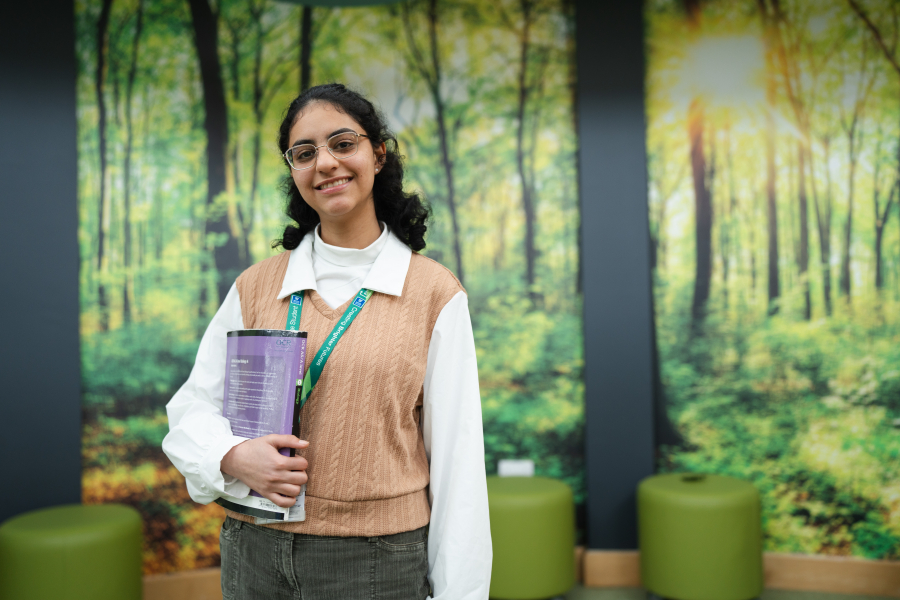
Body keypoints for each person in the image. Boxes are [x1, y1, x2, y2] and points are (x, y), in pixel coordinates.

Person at [162, 83, 492, 600]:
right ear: (293, 171)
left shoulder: (434, 293)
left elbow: (459, 464)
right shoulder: (255, 286)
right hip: (254, 551)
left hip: (377, 562)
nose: (326, 164)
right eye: (305, 152)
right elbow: (192, 409)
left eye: (343, 143)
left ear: (377, 154)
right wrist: (231, 455)